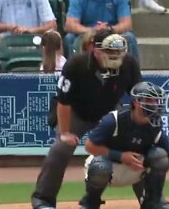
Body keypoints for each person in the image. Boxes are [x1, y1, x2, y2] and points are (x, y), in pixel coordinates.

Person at [31, 29, 142, 209]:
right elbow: (63, 101)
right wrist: (65, 133)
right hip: (76, 112)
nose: (114, 56)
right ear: (94, 49)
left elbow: (138, 97)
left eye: (117, 51)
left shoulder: (128, 63)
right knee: (61, 148)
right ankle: (43, 200)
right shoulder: (76, 64)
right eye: (109, 51)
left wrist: (136, 129)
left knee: (136, 144)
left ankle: (149, 199)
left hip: (110, 110)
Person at [79, 81, 169, 209]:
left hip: (136, 170)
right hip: (107, 169)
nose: (153, 104)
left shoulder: (154, 127)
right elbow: (89, 146)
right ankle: (91, 203)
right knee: (99, 166)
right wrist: (121, 156)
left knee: (160, 156)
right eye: (148, 100)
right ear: (135, 102)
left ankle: (153, 203)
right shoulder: (114, 120)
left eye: (156, 100)